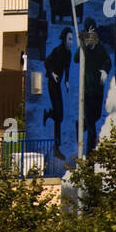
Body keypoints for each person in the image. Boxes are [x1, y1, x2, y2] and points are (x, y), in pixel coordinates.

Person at [73, 18, 110, 155]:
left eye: (94, 31)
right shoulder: (84, 49)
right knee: (92, 130)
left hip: (98, 92)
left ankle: (80, 125)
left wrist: (105, 71)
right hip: (87, 93)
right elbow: (76, 59)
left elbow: (107, 60)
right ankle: (90, 159)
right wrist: (84, 43)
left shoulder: (100, 47)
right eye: (90, 32)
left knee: (96, 116)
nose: (93, 36)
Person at [43, 27, 72, 159]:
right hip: (52, 84)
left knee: (59, 114)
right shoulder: (57, 51)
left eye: (72, 39)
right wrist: (52, 73)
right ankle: (56, 147)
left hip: (58, 85)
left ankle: (49, 113)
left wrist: (66, 81)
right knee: (59, 115)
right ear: (64, 39)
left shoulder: (68, 53)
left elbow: (67, 68)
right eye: (69, 39)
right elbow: (47, 62)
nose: (71, 42)